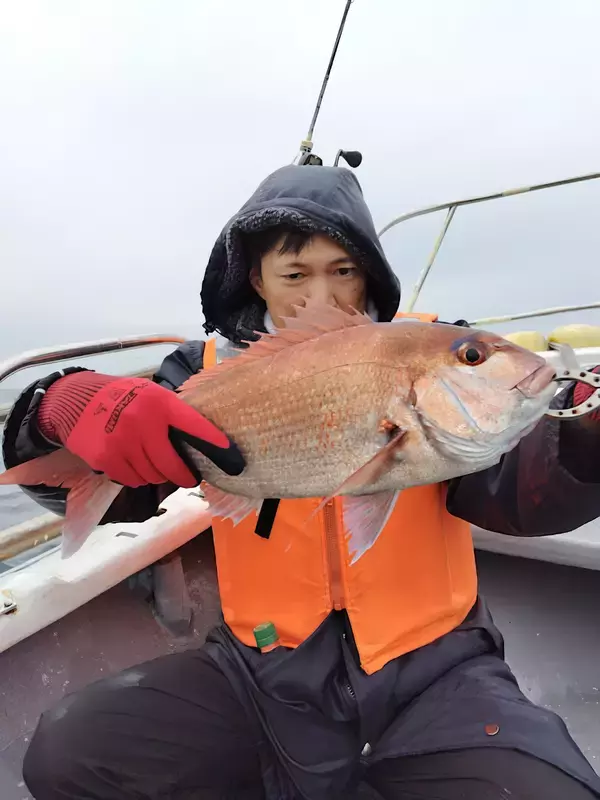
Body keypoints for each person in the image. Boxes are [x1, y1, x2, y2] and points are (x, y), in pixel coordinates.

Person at [4, 163, 600, 800]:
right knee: (73, 752)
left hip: (436, 668)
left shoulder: (429, 347)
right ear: (255, 278)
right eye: (294, 274)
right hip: (261, 672)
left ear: (369, 271)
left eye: (343, 270)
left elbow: (518, 491)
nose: (322, 298)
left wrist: (588, 441)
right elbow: (127, 479)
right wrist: (51, 410)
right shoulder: (195, 375)